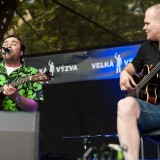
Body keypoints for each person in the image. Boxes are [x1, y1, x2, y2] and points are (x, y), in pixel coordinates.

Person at [117, 4, 160, 160]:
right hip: (154, 111)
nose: (144, 27)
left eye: (147, 23)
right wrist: (123, 73)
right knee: (125, 104)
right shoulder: (146, 47)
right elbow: (130, 69)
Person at [0, 35, 44, 111]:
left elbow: (33, 108)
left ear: (21, 52)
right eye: (5, 44)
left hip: (17, 121)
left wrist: (16, 97)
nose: (8, 45)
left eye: (14, 44)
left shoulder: (32, 73)